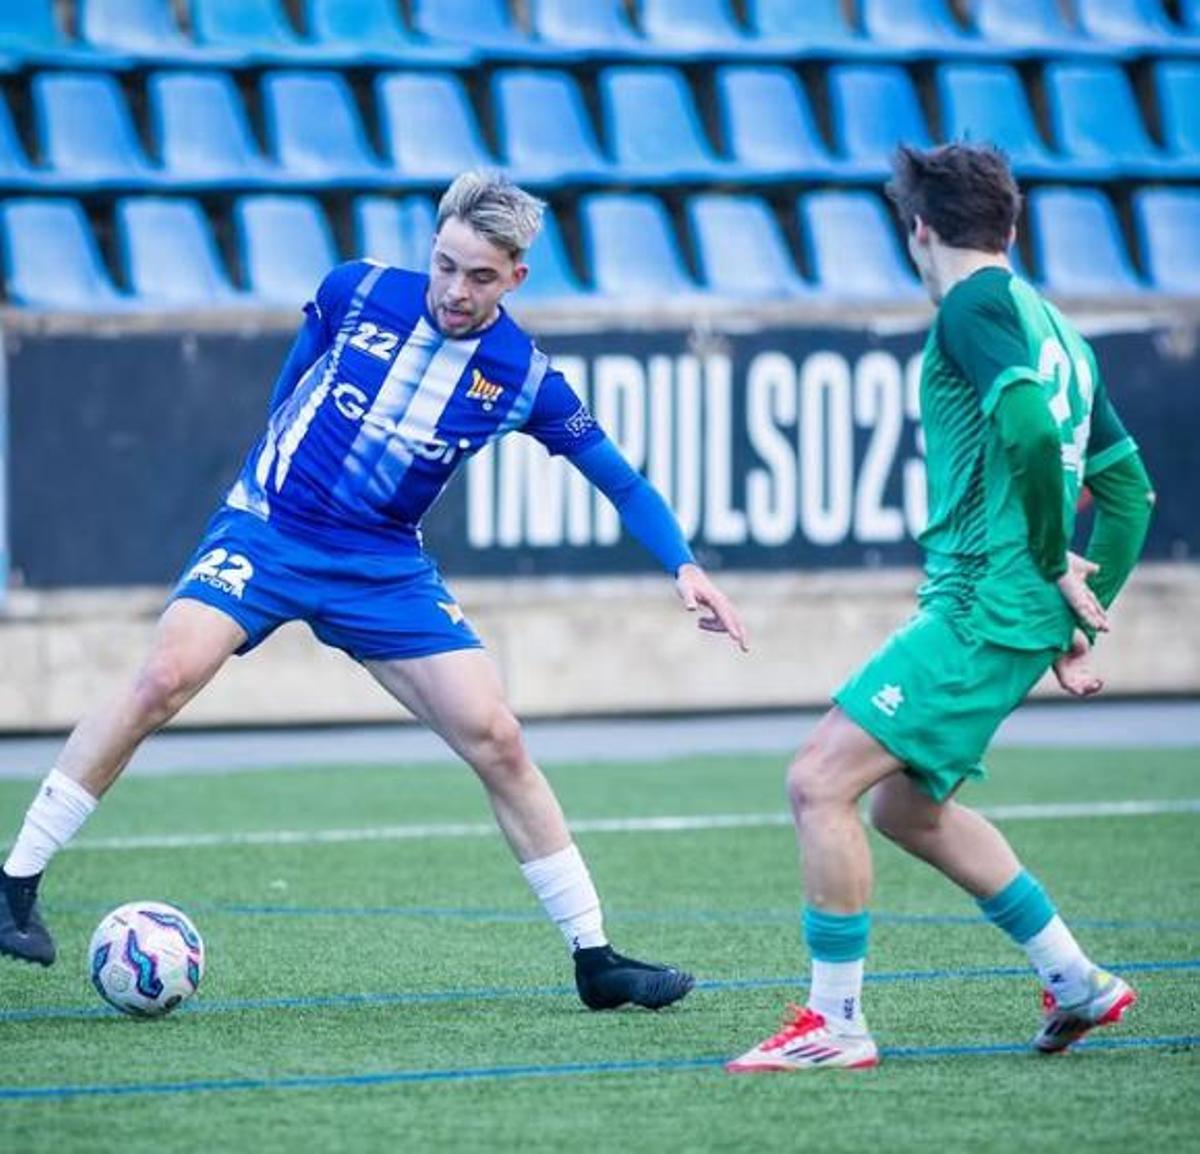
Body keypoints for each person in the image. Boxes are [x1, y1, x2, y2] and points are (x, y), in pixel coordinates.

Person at [0, 170, 747, 1012]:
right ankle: (15, 884)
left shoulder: (523, 378)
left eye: (481, 277)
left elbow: (619, 480)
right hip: (270, 530)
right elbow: (290, 389)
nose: (456, 291)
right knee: (163, 680)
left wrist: (683, 565)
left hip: (382, 565)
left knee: (497, 737)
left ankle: (595, 958)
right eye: (446, 265)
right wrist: (267, 482)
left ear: (517, 279)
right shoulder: (353, 291)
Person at [727, 142, 1155, 1072]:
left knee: (817, 782)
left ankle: (834, 1023)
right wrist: (1080, 610)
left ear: (917, 229)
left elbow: (1031, 430)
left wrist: (1050, 565)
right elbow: (1132, 497)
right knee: (907, 813)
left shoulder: (973, 304)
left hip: (982, 604)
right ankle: (1075, 977)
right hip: (1012, 610)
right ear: (1014, 220)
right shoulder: (1062, 332)